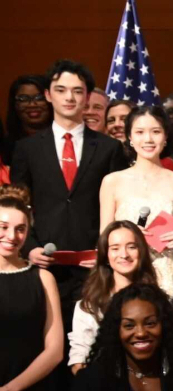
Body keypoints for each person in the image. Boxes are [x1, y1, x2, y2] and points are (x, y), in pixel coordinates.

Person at [18, 61, 128, 307]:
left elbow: (119, 206)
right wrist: (29, 248)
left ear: (87, 97)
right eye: (61, 90)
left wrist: (106, 250)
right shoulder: (27, 149)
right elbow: (19, 205)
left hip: (94, 264)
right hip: (42, 263)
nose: (69, 97)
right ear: (48, 95)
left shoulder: (109, 148)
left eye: (77, 91)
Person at [0, 187, 66, 391]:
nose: (12, 236)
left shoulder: (42, 278)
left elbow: (54, 350)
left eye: (20, 229)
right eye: (3, 227)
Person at [96, 104, 173, 290]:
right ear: (130, 137)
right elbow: (104, 236)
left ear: (165, 136)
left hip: (168, 273)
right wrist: (129, 236)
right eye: (140, 132)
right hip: (126, 271)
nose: (148, 139)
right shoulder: (112, 181)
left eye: (156, 131)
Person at [68, 221, 159, 371]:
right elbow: (79, 358)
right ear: (105, 255)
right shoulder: (90, 305)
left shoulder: (159, 300)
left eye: (131, 247)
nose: (124, 255)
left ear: (142, 251)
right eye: (115, 248)